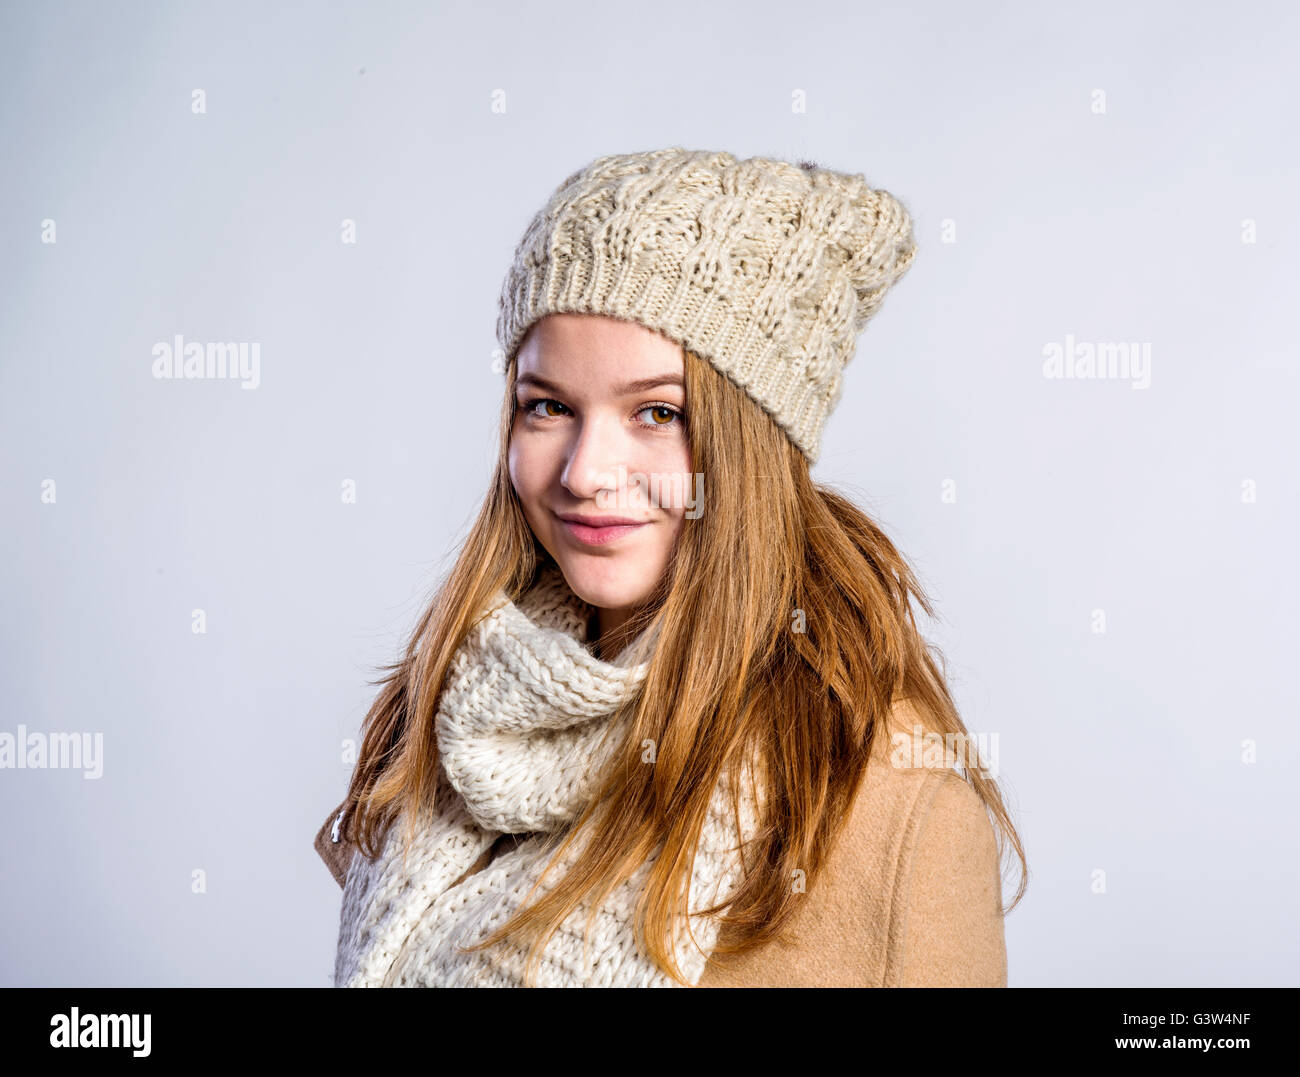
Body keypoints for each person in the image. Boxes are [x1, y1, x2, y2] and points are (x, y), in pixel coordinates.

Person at [317, 146, 1028, 988]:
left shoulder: (892, 812)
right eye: (547, 407)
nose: (584, 472)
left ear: (754, 444)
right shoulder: (453, 717)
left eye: (657, 413)